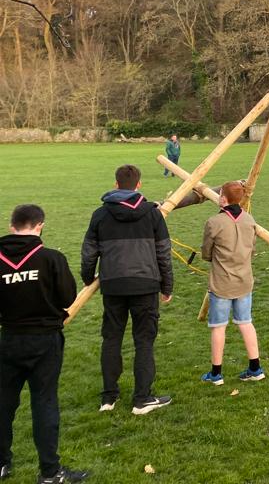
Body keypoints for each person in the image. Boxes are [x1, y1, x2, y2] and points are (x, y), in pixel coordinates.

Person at [0, 205, 88, 484]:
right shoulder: (51, 258)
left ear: (12, 226)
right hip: (44, 340)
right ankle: (50, 472)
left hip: (9, 339)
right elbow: (66, 298)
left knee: (3, 403)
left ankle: (2, 463)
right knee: (44, 402)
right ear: (40, 226)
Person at [81, 164, 173, 415]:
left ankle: (109, 398)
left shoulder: (100, 214)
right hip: (145, 285)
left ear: (116, 184)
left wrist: (87, 277)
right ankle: (140, 398)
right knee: (144, 341)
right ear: (138, 185)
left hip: (113, 285)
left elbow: (89, 251)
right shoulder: (153, 214)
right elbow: (163, 252)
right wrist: (167, 285)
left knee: (112, 338)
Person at [201, 181, 264, 384]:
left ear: (223, 199)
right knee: (246, 322)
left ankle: (216, 374)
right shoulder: (250, 220)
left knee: (219, 326)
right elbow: (251, 249)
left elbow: (206, 253)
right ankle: (255, 368)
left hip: (222, 284)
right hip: (244, 280)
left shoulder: (214, 222)